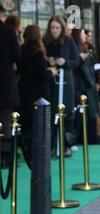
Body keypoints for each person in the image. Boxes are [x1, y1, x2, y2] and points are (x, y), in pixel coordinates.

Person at [18, 24, 58, 153]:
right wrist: (51, 72)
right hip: (39, 93)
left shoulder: (22, 49)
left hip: (24, 91)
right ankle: (39, 150)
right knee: (40, 123)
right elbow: (42, 73)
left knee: (27, 125)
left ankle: (28, 149)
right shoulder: (38, 51)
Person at [43, 16, 80, 157]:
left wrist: (64, 62)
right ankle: (53, 145)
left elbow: (76, 61)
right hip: (51, 81)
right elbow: (41, 60)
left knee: (67, 112)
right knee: (52, 113)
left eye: (57, 28)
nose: (54, 30)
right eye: (52, 27)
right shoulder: (46, 41)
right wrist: (49, 61)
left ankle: (67, 145)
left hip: (66, 81)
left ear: (62, 28)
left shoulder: (69, 41)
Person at [0, 4, 21, 168]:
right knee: (6, 120)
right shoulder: (8, 32)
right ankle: (6, 157)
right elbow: (17, 56)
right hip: (5, 82)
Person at [72, 28, 100, 145]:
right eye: (83, 34)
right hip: (84, 85)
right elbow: (84, 69)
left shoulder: (84, 48)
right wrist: (92, 83)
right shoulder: (78, 49)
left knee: (89, 112)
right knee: (88, 112)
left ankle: (90, 137)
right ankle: (89, 138)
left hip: (86, 84)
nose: (85, 36)